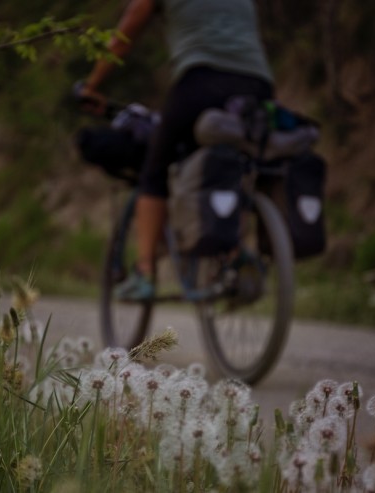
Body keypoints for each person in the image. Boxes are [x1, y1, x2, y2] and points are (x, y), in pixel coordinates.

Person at [79, 0, 275, 301]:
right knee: (232, 166)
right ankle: (233, 253)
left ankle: (144, 273)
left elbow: (125, 34)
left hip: (201, 80)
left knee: (154, 173)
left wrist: (91, 86)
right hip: (260, 85)